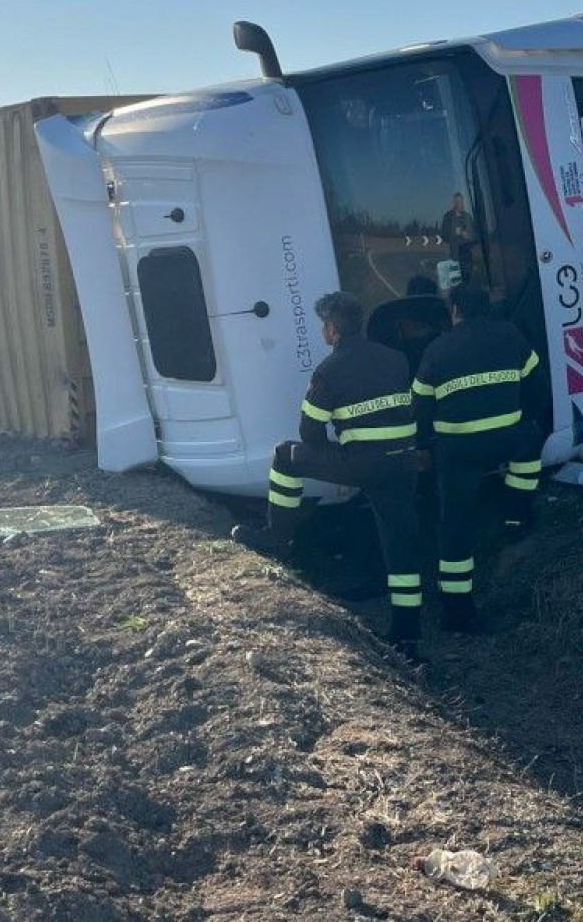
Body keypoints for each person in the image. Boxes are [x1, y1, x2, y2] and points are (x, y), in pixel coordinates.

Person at [231, 292, 427, 652]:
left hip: (362, 463)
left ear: (332, 329)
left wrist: (334, 459)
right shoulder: (396, 358)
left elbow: (310, 432)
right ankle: (408, 635)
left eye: (324, 325)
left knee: (285, 455)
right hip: (403, 463)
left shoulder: (328, 371)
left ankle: (277, 537)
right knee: (401, 550)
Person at [412, 285, 543, 632]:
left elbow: (419, 408)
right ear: (487, 308)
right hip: (508, 439)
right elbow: (537, 387)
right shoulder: (511, 335)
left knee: (454, 527)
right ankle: (517, 516)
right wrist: (526, 419)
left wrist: (422, 446)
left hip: (458, 451)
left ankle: (458, 611)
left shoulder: (436, 350)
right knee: (529, 451)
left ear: (455, 310)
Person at [439, 193, 476, 275]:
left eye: (462, 202)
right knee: (454, 278)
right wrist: (454, 232)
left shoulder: (467, 217)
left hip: (466, 257)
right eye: (458, 202)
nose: (461, 204)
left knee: (466, 277)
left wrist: (466, 235)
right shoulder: (448, 217)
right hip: (452, 256)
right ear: (454, 203)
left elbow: (473, 236)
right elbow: (444, 235)